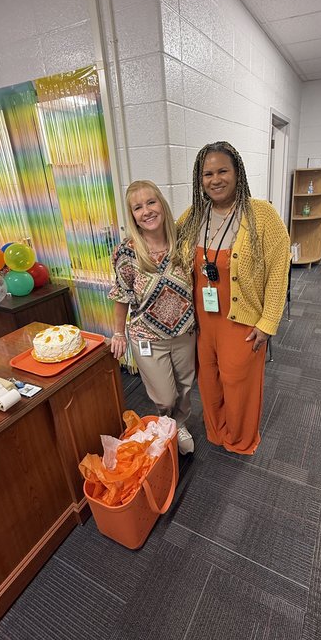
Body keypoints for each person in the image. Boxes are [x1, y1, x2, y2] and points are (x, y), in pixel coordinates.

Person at [177, 141, 290, 455]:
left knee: (238, 384)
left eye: (223, 170)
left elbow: (279, 269)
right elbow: (165, 247)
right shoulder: (192, 217)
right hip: (201, 322)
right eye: (207, 173)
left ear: (237, 173)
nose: (215, 179)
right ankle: (216, 432)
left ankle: (239, 440)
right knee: (209, 383)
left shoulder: (261, 215)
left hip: (240, 322)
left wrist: (268, 323)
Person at [109, 180, 196, 454]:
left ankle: (178, 425)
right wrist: (118, 333)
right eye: (138, 207)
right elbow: (122, 295)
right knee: (165, 394)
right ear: (132, 215)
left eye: (151, 202)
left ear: (161, 204)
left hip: (184, 333)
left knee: (185, 387)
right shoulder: (127, 251)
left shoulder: (183, 243)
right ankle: (165, 421)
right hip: (146, 336)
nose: (146, 211)